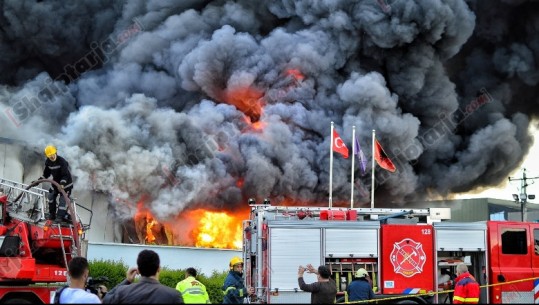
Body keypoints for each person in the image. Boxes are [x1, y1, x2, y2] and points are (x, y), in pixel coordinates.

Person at [102, 249, 184, 304]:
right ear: (159, 269)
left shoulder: (122, 292)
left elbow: (106, 299)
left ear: (138, 270)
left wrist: (127, 281)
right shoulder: (173, 296)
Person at [37, 145, 73, 222]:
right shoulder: (48, 162)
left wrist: (62, 184)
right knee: (51, 196)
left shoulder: (62, 161)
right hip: (55, 183)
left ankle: (59, 217)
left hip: (66, 185)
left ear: (56, 153)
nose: (52, 157)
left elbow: (65, 175)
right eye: (50, 156)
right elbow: (46, 174)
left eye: (53, 155)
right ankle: (52, 214)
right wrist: (39, 180)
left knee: (63, 200)